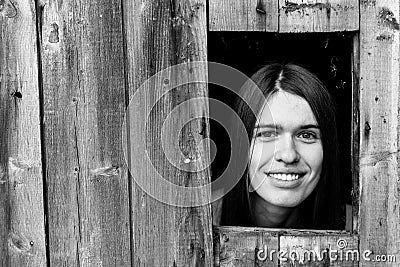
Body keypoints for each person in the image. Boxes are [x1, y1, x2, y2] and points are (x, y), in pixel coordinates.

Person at [219, 62, 343, 230]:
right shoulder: (197, 220)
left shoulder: (360, 224)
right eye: (267, 134)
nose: (288, 155)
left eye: (306, 135)